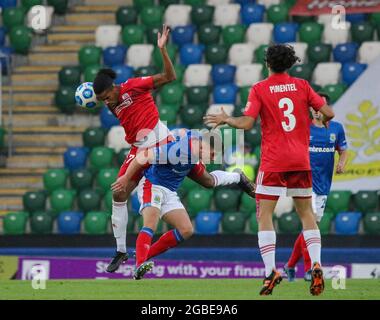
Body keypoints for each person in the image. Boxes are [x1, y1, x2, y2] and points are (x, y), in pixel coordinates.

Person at [93, 25, 255, 273]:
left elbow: (169, 77)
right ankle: (121, 251)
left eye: (106, 96)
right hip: (141, 147)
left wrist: (163, 50)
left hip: (160, 142)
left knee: (208, 181)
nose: (106, 102)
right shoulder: (111, 102)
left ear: (114, 87)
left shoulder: (134, 86)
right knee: (118, 193)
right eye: (102, 99)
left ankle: (237, 177)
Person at [204, 44, 335, 296]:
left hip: (274, 161)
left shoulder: (260, 89)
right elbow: (328, 112)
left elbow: (247, 123)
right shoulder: (303, 86)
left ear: (267, 63)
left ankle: (270, 271)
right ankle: (316, 263)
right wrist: (321, 120)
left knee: (265, 215)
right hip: (300, 160)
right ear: (290, 63)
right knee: (306, 214)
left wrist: (226, 119)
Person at [111, 130, 255, 280]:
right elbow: (143, 156)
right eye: (212, 154)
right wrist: (126, 178)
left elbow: (190, 134)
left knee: (186, 229)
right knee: (151, 223)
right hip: (152, 185)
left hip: (170, 191)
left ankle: (144, 255)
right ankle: (139, 265)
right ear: (203, 147)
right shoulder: (177, 150)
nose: (214, 158)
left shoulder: (194, 149)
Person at [284, 93, 348, 282]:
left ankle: (289, 266)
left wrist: (342, 163)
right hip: (303, 182)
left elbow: (343, 150)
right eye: (314, 107)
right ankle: (310, 269)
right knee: (310, 226)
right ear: (310, 109)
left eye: (321, 107)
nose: (317, 110)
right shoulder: (303, 128)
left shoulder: (336, 128)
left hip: (323, 184)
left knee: (309, 228)